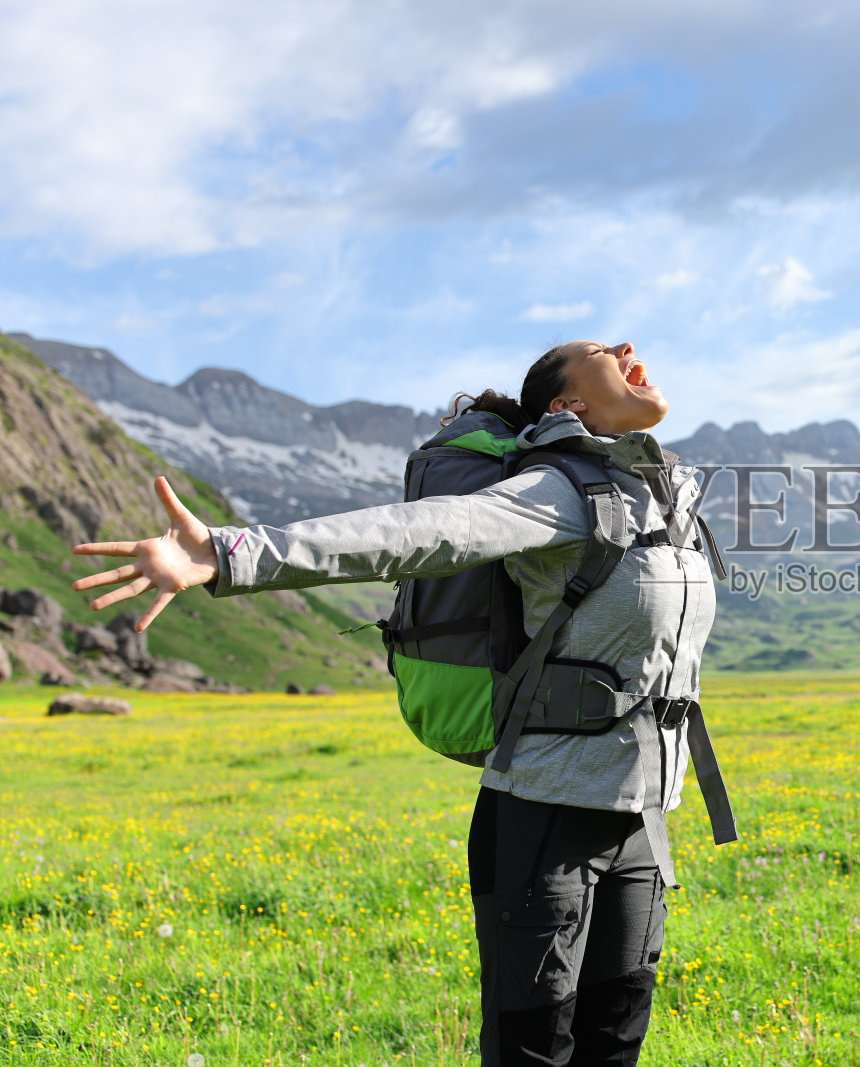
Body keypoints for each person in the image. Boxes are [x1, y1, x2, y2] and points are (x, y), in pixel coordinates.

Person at [70, 340, 719, 1067]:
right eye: (603, 350)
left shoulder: (663, 496)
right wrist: (226, 553)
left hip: (640, 818)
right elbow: (410, 535)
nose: (629, 349)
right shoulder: (555, 491)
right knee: (536, 1049)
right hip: (545, 812)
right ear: (569, 406)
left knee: (616, 1040)